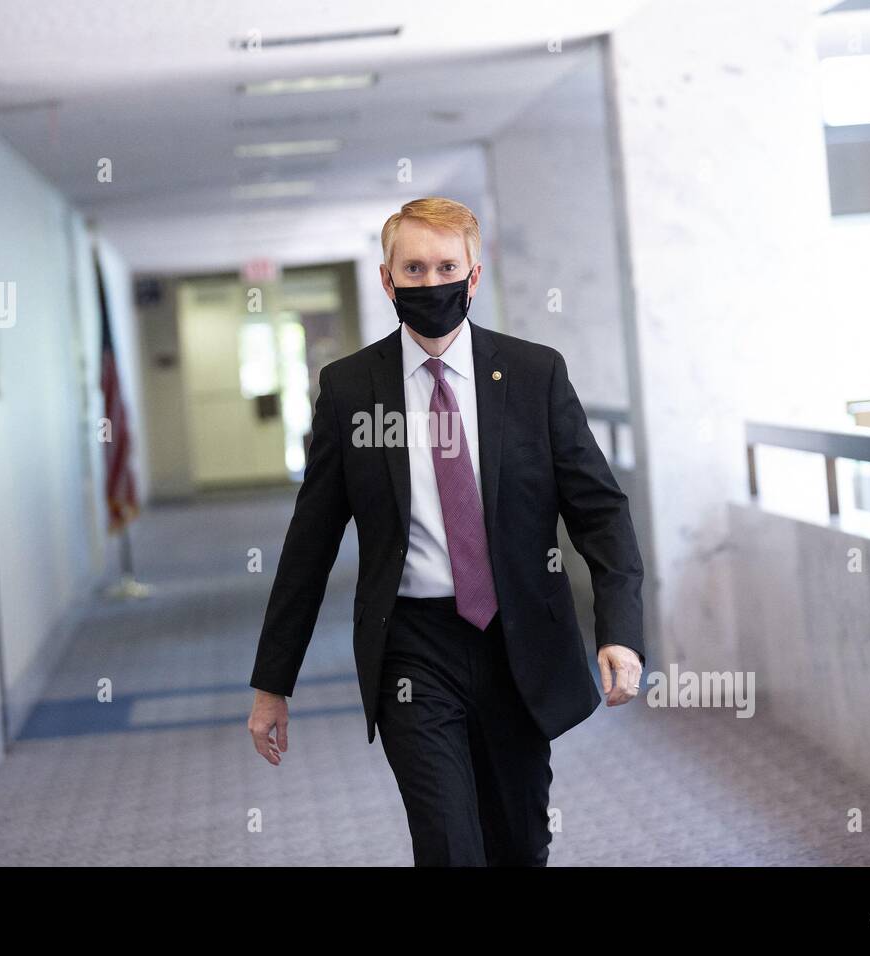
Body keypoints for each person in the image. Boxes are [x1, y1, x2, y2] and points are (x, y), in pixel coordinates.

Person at [247, 196, 645, 866]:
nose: (430, 283)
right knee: (448, 842)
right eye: (413, 268)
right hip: (411, 648)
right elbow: (309, 543)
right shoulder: (350, 391)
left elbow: (598, 510)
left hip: (516, 640)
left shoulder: (532, 374)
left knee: (519, 843)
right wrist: (271, 682)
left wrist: (621, 632)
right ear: (386, 278)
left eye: (445, 267)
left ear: (474, 274)